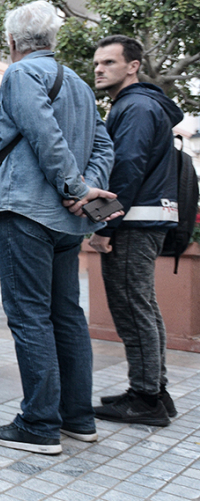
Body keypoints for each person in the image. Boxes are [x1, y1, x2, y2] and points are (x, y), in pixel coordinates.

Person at [0, 1, 116, 455]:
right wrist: (87, 189)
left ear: (13, 43)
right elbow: (102, 143)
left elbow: (42, 134)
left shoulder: (19, 74)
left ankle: (39, 424)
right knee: (66, 316)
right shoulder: (76, 81)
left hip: (28, 210)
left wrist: (74, 185)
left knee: (30, 316)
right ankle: (78, 418)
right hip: (67, 221)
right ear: (52, 42)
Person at [89, 35, 183, 425]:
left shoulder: (137, 107)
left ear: (133, 66)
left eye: (109, 63)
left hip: (134, 221)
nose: (99, 69)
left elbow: (126, 169)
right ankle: (153, 391)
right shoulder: (140, 105)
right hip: (145, 218)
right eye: (97, 63)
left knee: (132, 306)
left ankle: (146, 399)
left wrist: (104, 224)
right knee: (142, 305)